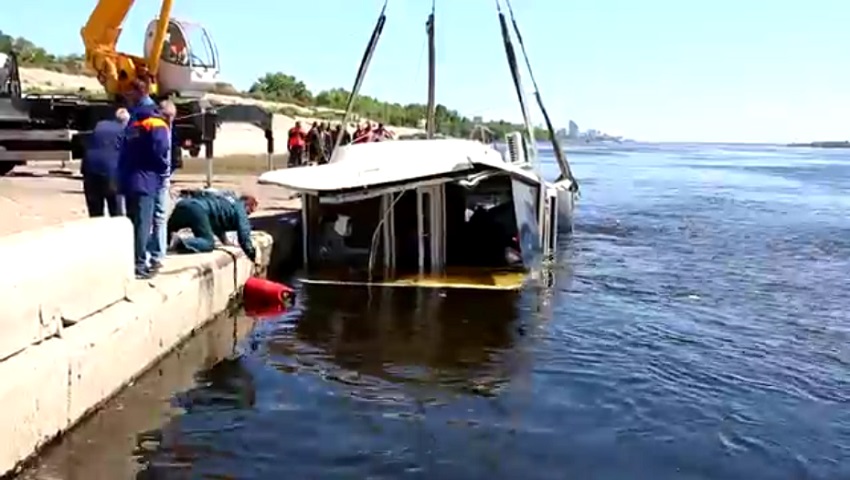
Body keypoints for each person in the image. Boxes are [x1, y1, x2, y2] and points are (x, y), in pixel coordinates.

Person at [118, 79, 171, 279]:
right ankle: (139, 265)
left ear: (138, 93)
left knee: (137, 224)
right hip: (144, 180)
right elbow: (160, 150)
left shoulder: (138, 118)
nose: (125, 97)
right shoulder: (150, 118)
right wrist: (160, 170)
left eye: (128, 93)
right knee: (141, 224)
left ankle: (137, 263)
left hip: (134, 178)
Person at [166, 190, 258, 262]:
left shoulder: (227, 201)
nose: (249, 214)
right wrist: (251, 253)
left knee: (166, 232)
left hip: (184, 204)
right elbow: (244, 232)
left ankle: (160, 242)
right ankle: (179, 242)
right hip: (198, 210)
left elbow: (216, 222)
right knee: (208, 243)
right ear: (248, 205)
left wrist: (225, 240)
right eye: (250, 211)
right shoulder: (240, 208)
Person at [146, 99, 177, 272]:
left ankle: (157, 253)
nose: (170, 120)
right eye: (168, 117)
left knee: (159, 215)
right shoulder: (158, 127)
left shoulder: (167, 127)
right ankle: (155, 253)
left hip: (162, 176)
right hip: (156, 176)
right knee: (157, 215)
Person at [81, 107, 129, 217]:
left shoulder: (100, 125)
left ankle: (97, 232)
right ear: (125, 121)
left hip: (90, 170)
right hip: (111, 172)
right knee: (116, 211)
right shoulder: (124, 131)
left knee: (95, 212)